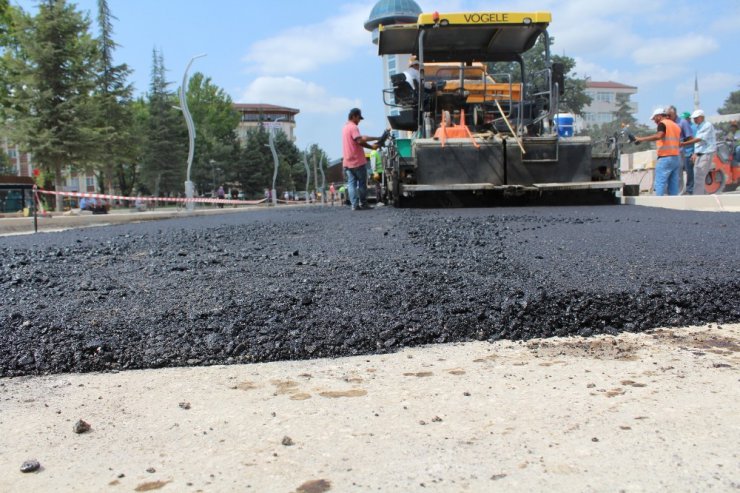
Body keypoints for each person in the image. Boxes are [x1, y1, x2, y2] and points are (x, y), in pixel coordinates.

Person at [633, 107, 682, 196]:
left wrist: (641, 139)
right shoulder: (675, 125)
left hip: (665, 158)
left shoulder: (662, 124)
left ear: (659, 116)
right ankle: (675, 205)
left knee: (660, 182)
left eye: (654, 118)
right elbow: (679, 143)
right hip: (676, 158)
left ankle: (659, 205)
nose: (654, 121)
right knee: (673, 184)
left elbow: (659, 136)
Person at [342, 108, 382, 211]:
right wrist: (371, 147)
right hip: (357, 161)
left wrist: (376, 138)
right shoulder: (354, 127)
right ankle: (363, 203)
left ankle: (354, 205)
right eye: (359, 118)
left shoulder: (345, 128)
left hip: (347, 162)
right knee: (362, 184)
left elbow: (362, 137)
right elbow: (360, 141)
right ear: (354, 116)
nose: (359, 120)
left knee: (351, 184)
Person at [680, 109, 717, 195]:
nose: (695, 120)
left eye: (696, 118)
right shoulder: (698, 127)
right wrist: (695, 153)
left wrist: (683, 143)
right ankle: (701, 196)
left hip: (706, 153)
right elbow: (699, 144)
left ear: (702, 117)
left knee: (699, 176)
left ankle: (697, 197)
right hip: (700, 154)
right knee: (697, 176)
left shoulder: (707, 125)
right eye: (694, 118)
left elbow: (699, 139)